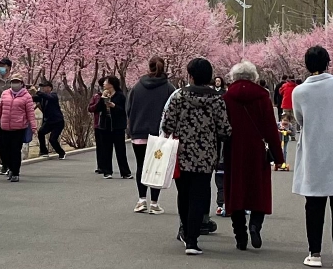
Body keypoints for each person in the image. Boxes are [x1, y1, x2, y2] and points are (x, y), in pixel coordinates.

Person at [291, 44, 333, 268]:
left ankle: (314, 253)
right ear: (328, 63)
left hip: (313, 154)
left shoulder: (299, 91)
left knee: (314, 205)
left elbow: (299, 119)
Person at [158, 57, 231, 254]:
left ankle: (185, 230)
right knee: (199, 195)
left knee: (184, 194)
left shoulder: (178, 96)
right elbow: (225, 129)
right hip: (206, 156)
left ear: (190, 75)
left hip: (181, 154)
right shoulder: (217, 100)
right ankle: (192, 239)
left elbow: (167, 125)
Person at [221, 61, 284, 251]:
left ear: (234, 77)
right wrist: (278, 157)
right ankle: (255, 225)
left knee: (235, 191)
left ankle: (240, 236)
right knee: (259, 190)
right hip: (258, 150)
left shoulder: (227, 97)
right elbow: (271, 128)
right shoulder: (262, 96)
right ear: (254, 77)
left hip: (233, 150)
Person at [126, 58, 176, 213]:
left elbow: (128, 108)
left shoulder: (137, 87)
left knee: (141, 166)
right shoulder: (169, 88)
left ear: (149, 67)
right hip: (159, 135)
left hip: (139, 131)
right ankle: (154, 203)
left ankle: (141, 200)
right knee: (157, 167)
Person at [0, 76, 36, 182]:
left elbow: (30, 112)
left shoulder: (27, 96)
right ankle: (9, 167)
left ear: (21, 84)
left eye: (17, 82)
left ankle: (15, 172)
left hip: (18, 128)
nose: (14, 84)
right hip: (4, 127)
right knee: (3, 151)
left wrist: (33, 126)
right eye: (13, 82)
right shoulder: (5, 94)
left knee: (15, 151)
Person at [91, 76, 130, 179]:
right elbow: (98, 108)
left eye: (106, 82)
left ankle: (125, 172)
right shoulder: (103, 95)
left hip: (117, 126)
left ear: (111, 84)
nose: (104, 84)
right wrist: (102, 99)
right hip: (105, 125)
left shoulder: (120, 96)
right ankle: (107, 172)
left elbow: (124, 110)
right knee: (106, 149)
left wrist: (114, 106)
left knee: (120, 150)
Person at [33, 78, 68, 158]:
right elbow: (33, 98)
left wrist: (36, 91)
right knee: (41, 133)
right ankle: (44, 152)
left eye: (45, 87)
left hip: (58, 122)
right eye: (43, 87)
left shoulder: (54, 95)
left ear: (50, 88)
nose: (44, 89)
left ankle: (61, 153)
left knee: (52, 139)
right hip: (49, 122)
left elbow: (48, 97)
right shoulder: (42, 97)